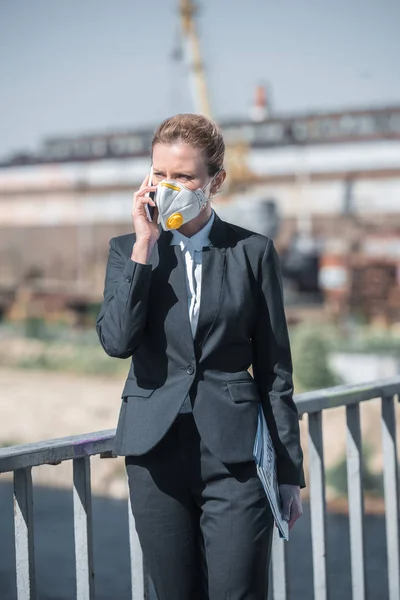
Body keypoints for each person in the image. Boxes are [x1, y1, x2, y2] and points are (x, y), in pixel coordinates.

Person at [96, 113, 305, 600]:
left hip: (235, 459)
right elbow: (117, 342)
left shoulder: (252, 252)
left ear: (216, 181)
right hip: (155, 453)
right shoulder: (128, 251)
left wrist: (290, 473)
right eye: (160, 174)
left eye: (185, 176)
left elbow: (275, 368)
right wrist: (145, 246)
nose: (170, 186)